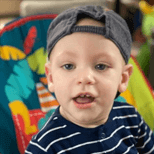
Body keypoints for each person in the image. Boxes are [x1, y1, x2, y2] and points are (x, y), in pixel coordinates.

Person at [25, 5, 154, 154]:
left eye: (100, 66)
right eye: (68, 66)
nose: (84, 78)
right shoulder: (45, 146)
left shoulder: (131, 117)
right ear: (51, 78)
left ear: (123, 78)